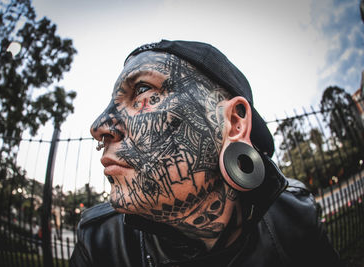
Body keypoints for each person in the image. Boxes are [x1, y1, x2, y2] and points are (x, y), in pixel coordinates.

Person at [70, 40, 342, 267]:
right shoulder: (99, 242)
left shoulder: (294, 216)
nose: (99, 127)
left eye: (142, 91)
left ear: (234, 124)